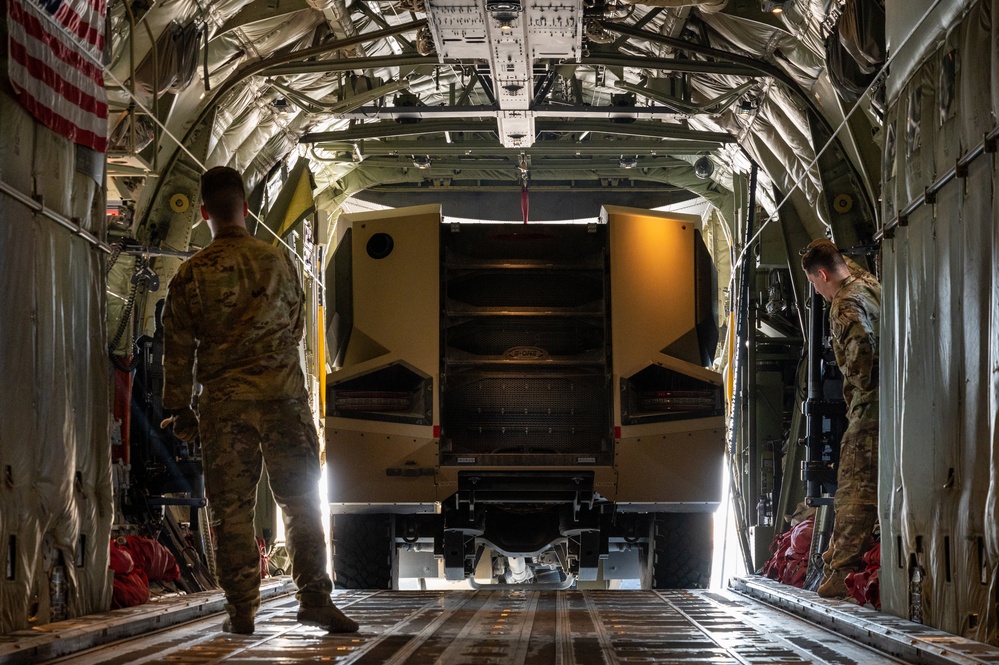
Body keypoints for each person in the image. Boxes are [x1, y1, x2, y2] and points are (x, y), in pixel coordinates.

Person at [160, 166, 358, 634]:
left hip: (225, 408)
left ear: (203, 212)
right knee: (302, 502)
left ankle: (242, 611)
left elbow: (178, 351)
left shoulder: (190, 276)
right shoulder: (278, 263)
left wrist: (179, 410)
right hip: (283, 400)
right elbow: (295, 326)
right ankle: (314, 599)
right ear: (245, 208)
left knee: (231, 510)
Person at [801, 238, 881, 599]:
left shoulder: (844, 304)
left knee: (853, 490)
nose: (818, 293)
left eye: (815, 284)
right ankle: (837, 552)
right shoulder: (869, 285)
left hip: (871, 406)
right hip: (897, 402)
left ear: (821, 275)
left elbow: (861, 351)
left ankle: (841, 571)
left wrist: (857, 379)